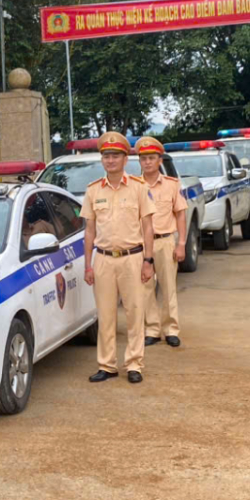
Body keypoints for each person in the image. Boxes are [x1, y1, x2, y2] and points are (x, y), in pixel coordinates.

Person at [81, 132, 156, 384]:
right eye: (106, 156)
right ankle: (107, 365)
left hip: (132, 258)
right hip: (102, 259)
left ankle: (134, 364)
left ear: (125, 159)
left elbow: (147, 228)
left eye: (115, 156)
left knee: (135, 312)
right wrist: (87, 265)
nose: (110, 160)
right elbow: (89, 231)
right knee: (105, 315)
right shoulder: (93, 191)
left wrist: (148, 261)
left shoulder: (139, 187)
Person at [134, 137, 188, 348]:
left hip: (165, 241)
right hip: (140, 244)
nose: (147, 162)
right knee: (145, 287)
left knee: (168, 287)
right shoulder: (133, 186)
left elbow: (181, 215)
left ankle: (171, 329)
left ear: (159, 161)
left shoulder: (172, 185)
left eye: (151, 158)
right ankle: (152, 329)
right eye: (143, 159)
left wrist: (181, 243)